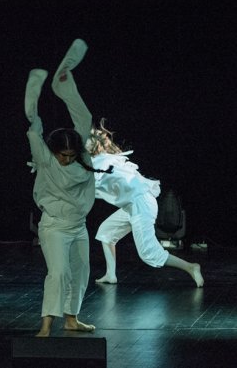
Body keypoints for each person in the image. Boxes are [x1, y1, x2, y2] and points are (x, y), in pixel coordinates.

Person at [25, 39, 110, 337]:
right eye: (63, 155)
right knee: (59, 273)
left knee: (81, 272)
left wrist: (65, 84)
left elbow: (83, 119)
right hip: (54, 227)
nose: (68, 159)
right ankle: (46, 325)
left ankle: (71, 319)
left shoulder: (82, 158)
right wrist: (34, 92)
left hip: (78, 226)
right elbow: (34, 128)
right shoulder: (45, 160)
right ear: (54, 152)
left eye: (72, 154)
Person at [87, 119, 204, 287]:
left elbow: (88, 182)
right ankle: (111, 274)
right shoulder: (103, 160)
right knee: (106, 232)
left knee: (148, 253)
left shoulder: (101, 162)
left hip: (140, 203)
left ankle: (191, 267)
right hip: (134, 204)